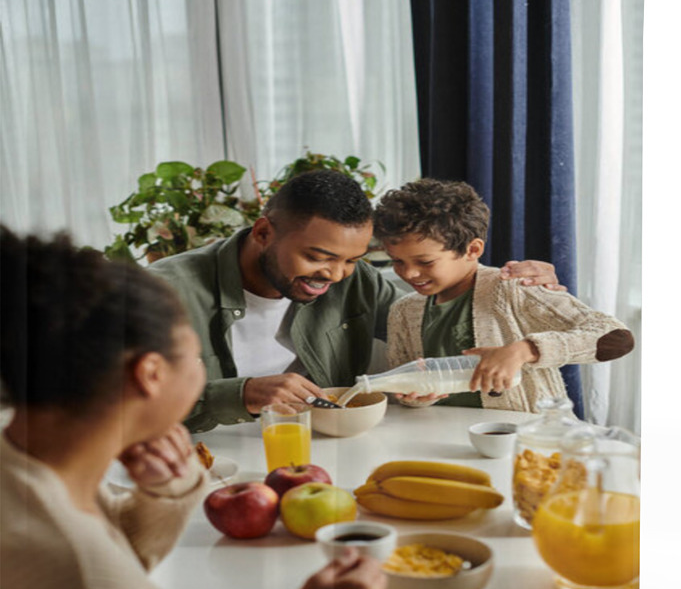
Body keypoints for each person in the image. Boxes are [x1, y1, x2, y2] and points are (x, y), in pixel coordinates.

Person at [0, 226, 385, 589]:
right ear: (151, 374)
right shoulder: (79, 576)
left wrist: (164, 495)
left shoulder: (30, 470)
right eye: (193, 358)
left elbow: (108, 544)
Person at [150, 169, 564, 432]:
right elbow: (120, 405)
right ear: (263, 234)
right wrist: (241, 395)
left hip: (322, 454)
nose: (334, 275)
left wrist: (510, 287)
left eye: (351, 260)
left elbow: (435, 319)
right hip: (200, 465)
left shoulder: (355, 281)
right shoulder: (162, 293)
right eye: (317, 257)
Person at [372, 179, 635, 412]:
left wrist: (523, 351)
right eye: (397, 261)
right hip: (447, 440)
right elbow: (405, 394)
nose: (409, 273)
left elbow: (615, 337)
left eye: (426, 262)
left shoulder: (514, 289)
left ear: (472, 249)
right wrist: (417, 396)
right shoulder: (403, 311)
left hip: (525, 441)